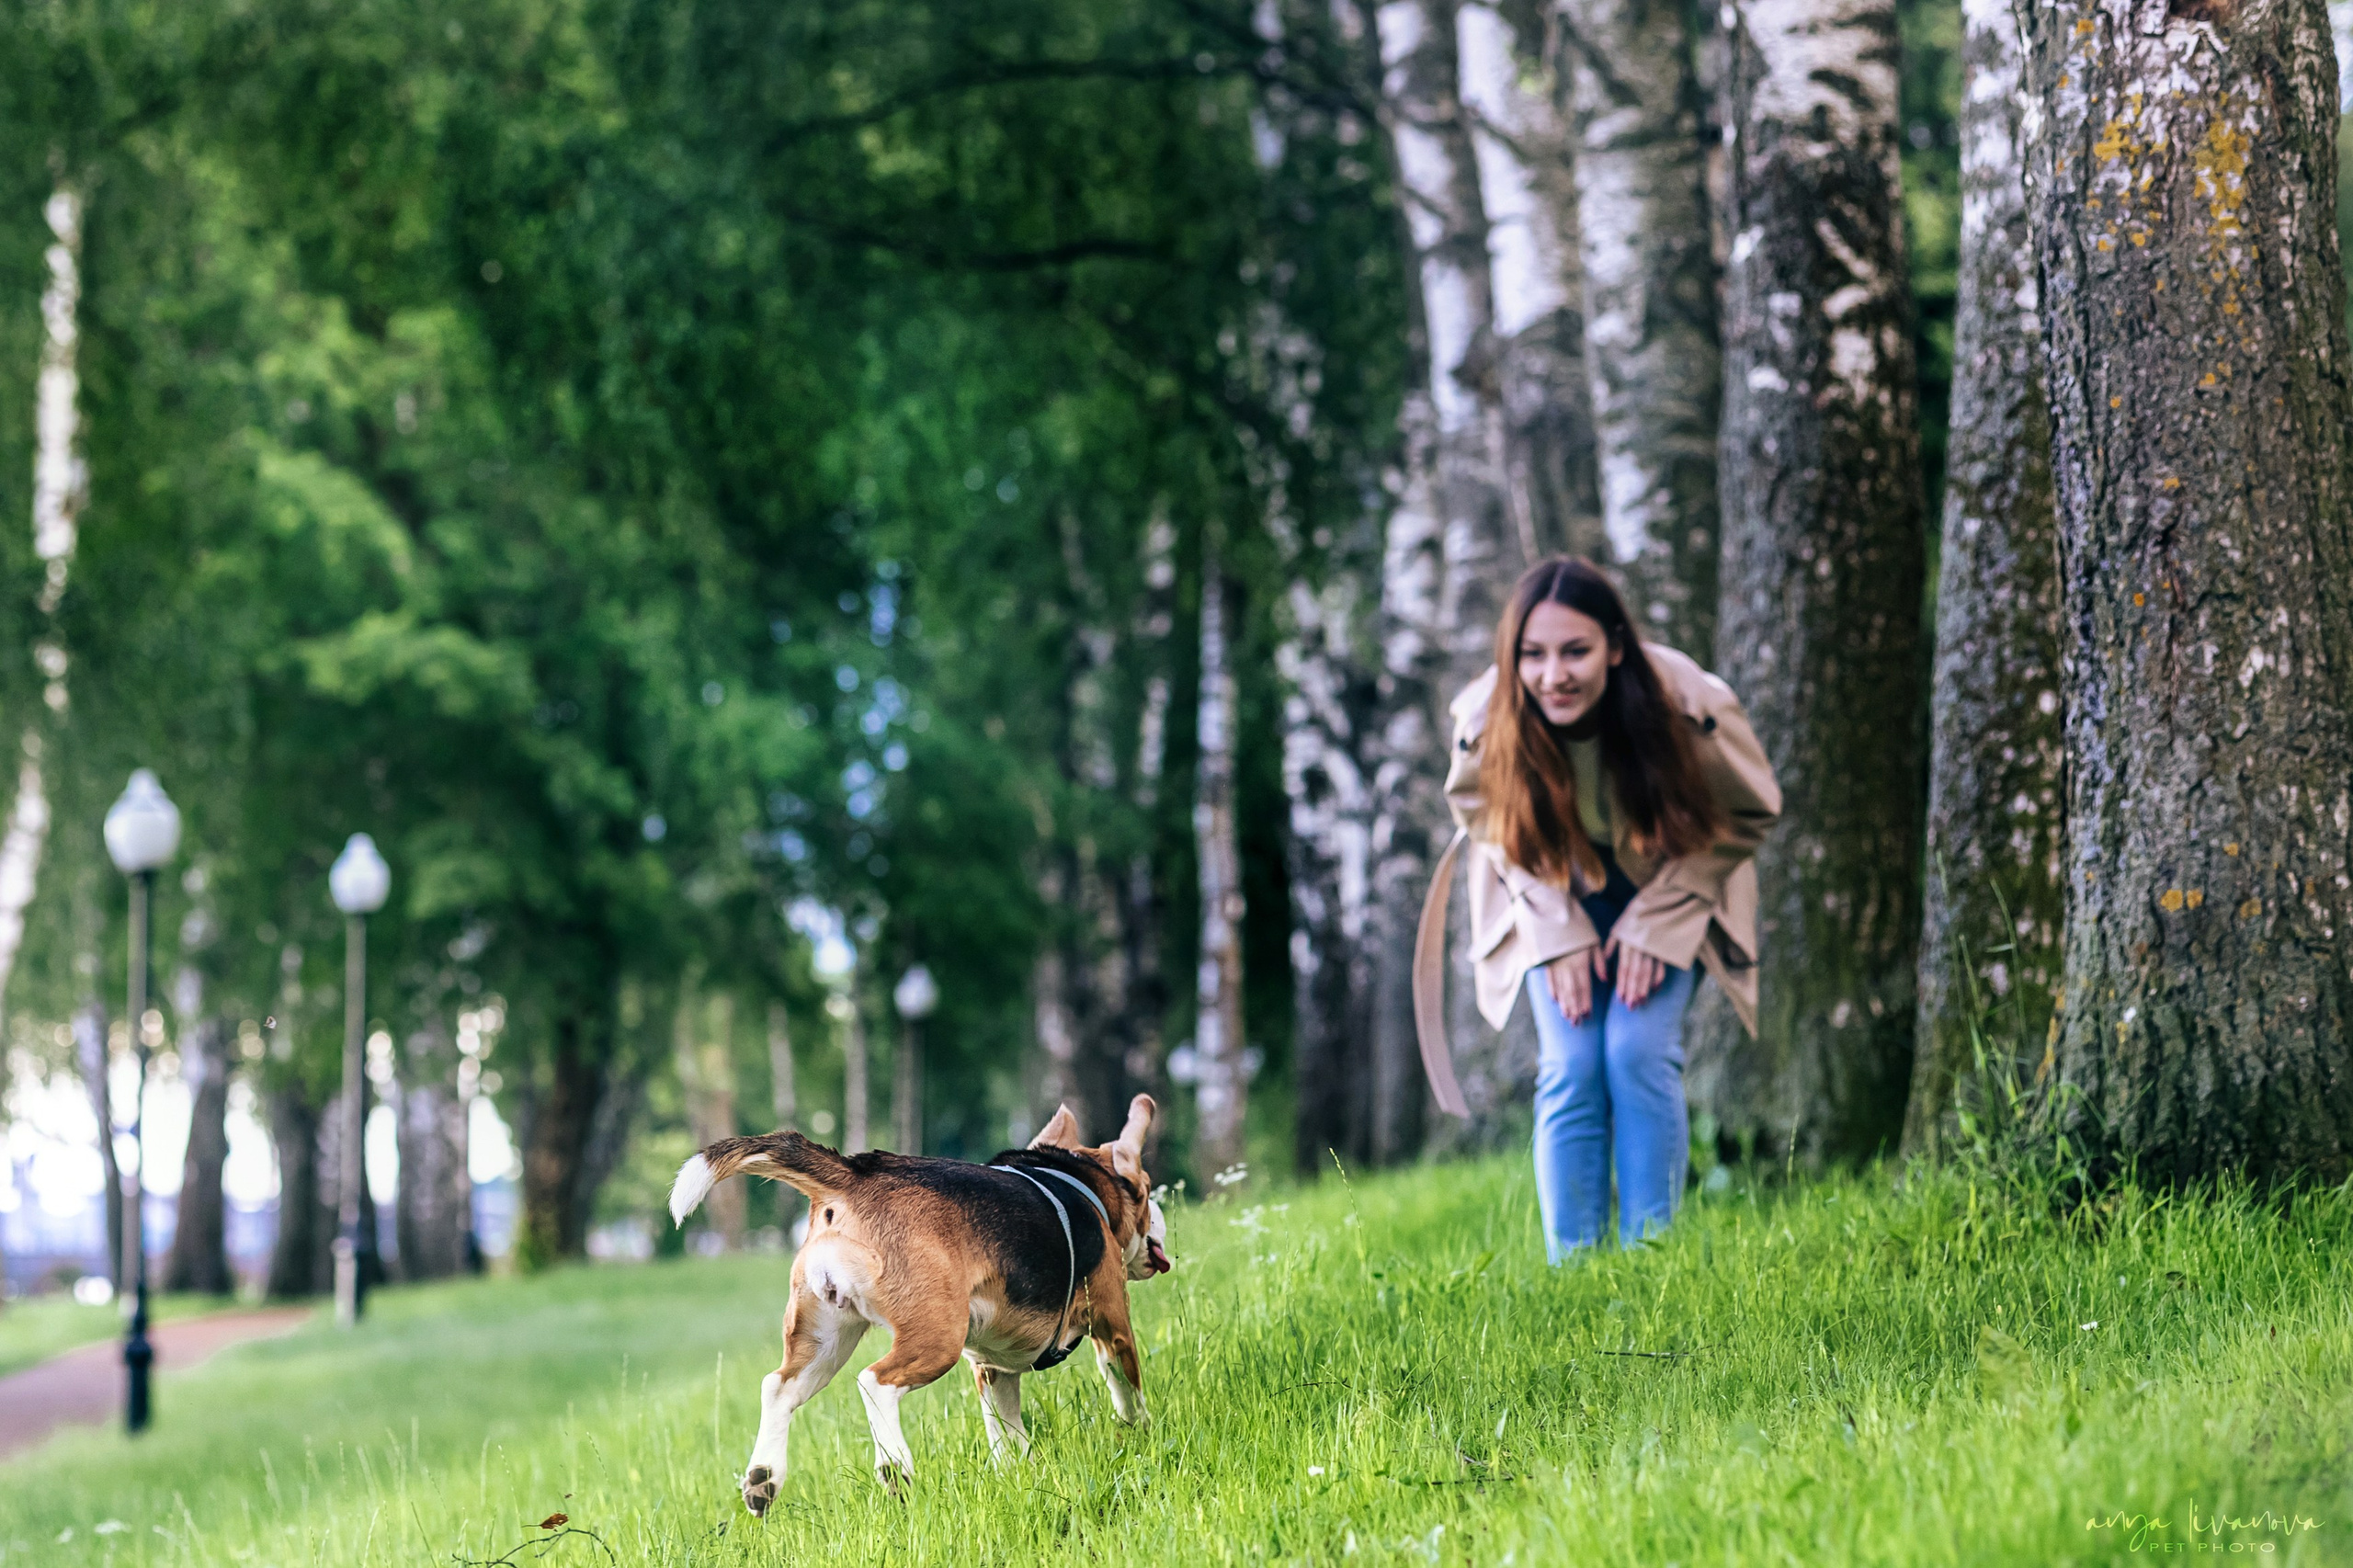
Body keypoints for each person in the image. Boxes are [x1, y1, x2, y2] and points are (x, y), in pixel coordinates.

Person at [1414, 558, 1780, 1260]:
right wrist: (1557, 926)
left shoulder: (1688, 704)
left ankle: (1652, 1257)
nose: (1555, 674)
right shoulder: (1488, 717)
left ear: (1616, 645)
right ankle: (1574, 1266)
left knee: (1638, 1050)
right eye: (1534, 654)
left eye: (1575, 650)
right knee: (1573, 1062)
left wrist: (1658, 921)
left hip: (1670, 890)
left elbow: (1750, 808)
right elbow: (1480, 812)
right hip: (1551, 892)